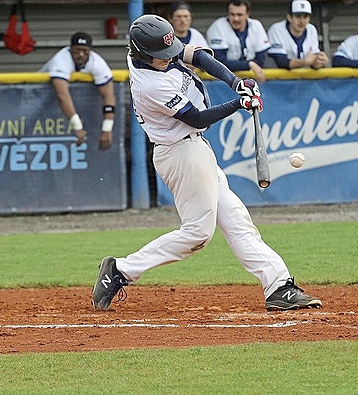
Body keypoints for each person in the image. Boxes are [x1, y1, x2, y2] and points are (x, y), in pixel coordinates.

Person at [92, 14, 322, 312]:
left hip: (195, 148)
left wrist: (236, 82)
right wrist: (238, 104)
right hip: (179, 153)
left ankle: (279, 285)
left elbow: (198, 55)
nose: (169, 57)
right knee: (198, 233)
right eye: (161, 56)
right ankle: (120, 269)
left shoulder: (154, 50)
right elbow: (197, 118)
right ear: (143, 55)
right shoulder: (150, 84)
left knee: (237, 220)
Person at [39, 32, 116, 151]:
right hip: (37, 99)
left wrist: (107, 129)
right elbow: (62, 95)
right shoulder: (61, 60)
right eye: (77, 50)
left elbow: (109, 95)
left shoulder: (97, 62)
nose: (81, 54)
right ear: (70, 49)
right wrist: (78, 127)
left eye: (85, 51)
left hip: (63, 110)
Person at [206, 0, 270, 82]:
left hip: (252, 80)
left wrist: (244, 65)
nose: (235, 18)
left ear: (247, 14)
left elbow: (261, 60)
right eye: (232, 14)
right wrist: (249, 64)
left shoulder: (256, 25)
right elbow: (219, 62)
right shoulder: (218, 26)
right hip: (223, 81)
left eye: (239, 15)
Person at [267, 1, 328, 70]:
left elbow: (313, 60)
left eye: (305, 17)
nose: (302, 21)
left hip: (303, 78)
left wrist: (319, 61)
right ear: (289, 17)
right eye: (298, 16)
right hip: (276, 78)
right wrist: (305, 62)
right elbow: (281, 62)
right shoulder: (277, 29)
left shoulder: (311, 29)